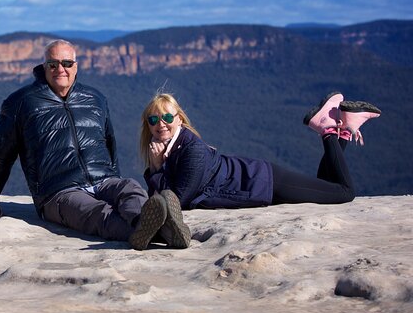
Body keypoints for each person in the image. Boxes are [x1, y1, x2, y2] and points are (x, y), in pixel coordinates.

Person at [0, 39, 190, 251]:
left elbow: (110, 145)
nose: (61, 69)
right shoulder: (21, 103)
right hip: (59, 191)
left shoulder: (95, 99)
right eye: (53, 64)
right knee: (99, 212)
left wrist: (114, 177)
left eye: (67, 63)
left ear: (76, 66)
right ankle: (161, 232)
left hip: (104, 179)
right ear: (44, 67)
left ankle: (147, 226)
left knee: (130, 189)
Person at [141, 92, 381, 224]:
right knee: (326, 186)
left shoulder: (190, 149)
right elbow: (161, 202)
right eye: (153, 120)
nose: (160, 124)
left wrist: (156, 170)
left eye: (167, 118)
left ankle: (328, 131)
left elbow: (177, 200)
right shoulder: (172, 149)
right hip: (256, 183)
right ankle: (346, 128)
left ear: (179, 119)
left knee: (343, 193)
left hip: (262, 183)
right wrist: (157, 169)